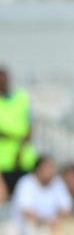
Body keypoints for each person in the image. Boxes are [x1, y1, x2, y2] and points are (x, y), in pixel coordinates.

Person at [5, 155, 71, 235]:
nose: (51, 171)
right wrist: (47, 221)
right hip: (26, 229)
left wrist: (56, 219)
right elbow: (26, 212)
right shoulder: (26, 183)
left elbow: (67, 208)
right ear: (39, 169)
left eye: (52, 168)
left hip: (51, 230)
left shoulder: (57, 183)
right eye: (48, 168)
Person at [0, 66, 36, 202]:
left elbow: (29, 125)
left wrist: (21, 145)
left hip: (23, 159)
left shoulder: (21, 97)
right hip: (3, 162)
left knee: (23, 199)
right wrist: (16, 137)